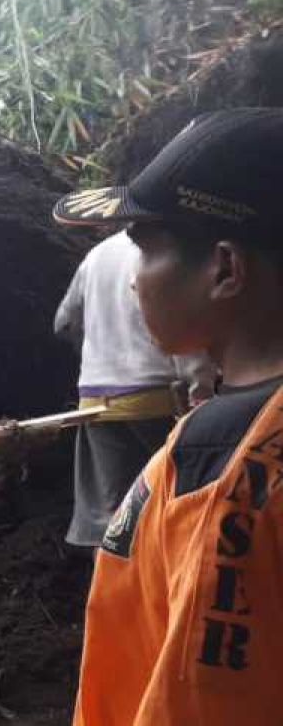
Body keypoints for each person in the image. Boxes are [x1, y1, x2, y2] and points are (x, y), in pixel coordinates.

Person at [53, 109, 283, 725]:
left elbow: (203, 694)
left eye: (145, 251)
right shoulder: (207, 439)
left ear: (225, 270)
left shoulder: (221, 463)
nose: (135, 284)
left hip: (103, 400)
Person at [54, 231, 214, 548]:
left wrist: (97, 353)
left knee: (112, 518)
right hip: (157, 398)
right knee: (171, 506)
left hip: (96, 400)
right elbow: (184, 329)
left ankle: (110, 590)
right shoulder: (167, 249)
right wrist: (203, 393)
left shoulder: (96, 255)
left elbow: (64, 322)